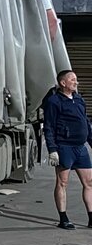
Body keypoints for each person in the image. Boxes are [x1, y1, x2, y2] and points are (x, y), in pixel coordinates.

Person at [42, 70, 92, 229]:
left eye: (76, 79)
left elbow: (86, 123)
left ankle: (91, 218)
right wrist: (52, 149)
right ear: (63, 83)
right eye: (72, 80)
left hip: (80, 148)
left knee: (89, 183)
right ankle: (63, 219)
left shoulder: (79, 99)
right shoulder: (54, 101)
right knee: (62, 182)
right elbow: (49, 127)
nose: (76, 82)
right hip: (64, 147)